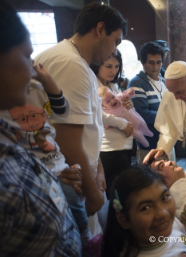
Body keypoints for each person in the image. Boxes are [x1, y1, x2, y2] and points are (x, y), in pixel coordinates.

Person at [35, 2, 127, 230]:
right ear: (100, 29)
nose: (115, 50)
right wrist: (94, 195)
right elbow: (68, 141)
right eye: (115, 40)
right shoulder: (71, 63)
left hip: (77, 172)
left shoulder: (69, 58)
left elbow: (87, 127)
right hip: (70, 178)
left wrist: (98, 169)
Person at [0, 1, 82, 255]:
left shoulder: (35, 91)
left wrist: (48, 179)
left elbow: (63, 110)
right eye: (26, 55)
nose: (32, 67)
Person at [101, 165, 186, 257]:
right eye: (146, 208)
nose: (162, 213)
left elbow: (181, 231)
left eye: (164, 198)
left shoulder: (169, 226)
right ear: (124, 220)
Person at [90, 50, 134, 197]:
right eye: (109, 66)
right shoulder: (91, 85)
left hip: (123, 144)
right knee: (118, 195)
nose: (113, 71)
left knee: (124, 192)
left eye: (116, 66)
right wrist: (122, 124)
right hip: (108, 148)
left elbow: (119, 107)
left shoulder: (113, 85)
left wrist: (128, 104)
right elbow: (96, 113)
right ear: (97, 65)